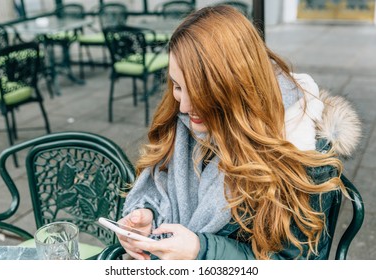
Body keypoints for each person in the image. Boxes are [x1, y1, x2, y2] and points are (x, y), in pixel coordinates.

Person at [116, 5, 361, 260]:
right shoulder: (185, 124)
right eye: (178, 86)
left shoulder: (302, 153)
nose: (184, 107)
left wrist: (202, 252)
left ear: (235, 86)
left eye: (200, 92)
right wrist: (147, 218)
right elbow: (162, 189)